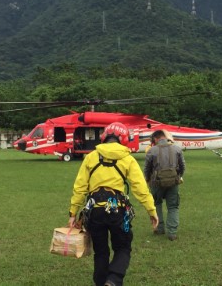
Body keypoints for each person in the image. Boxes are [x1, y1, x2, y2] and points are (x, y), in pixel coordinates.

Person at [68, 122, 159, 286]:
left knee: (101, 252)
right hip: (118, 212)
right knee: (123, 248)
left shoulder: (91, 157)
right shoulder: (127, 159)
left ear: (104, 137)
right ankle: (113, 280)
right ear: (123, 139)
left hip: (94, 212)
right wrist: (152, 211)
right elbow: (140, 189)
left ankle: (101, 282)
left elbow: (80, 187)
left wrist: (73, 213)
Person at [144, 129, 185, 241]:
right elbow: (182, 166)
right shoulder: (177, 149)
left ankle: (159, 228)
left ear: (156, 139)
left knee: (156, 205)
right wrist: (179, 176)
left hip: (156, 183)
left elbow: (147, 169)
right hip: (173, 183)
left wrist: (147, 180)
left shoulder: (151, 151)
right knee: (173, 207)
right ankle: (172, 232)